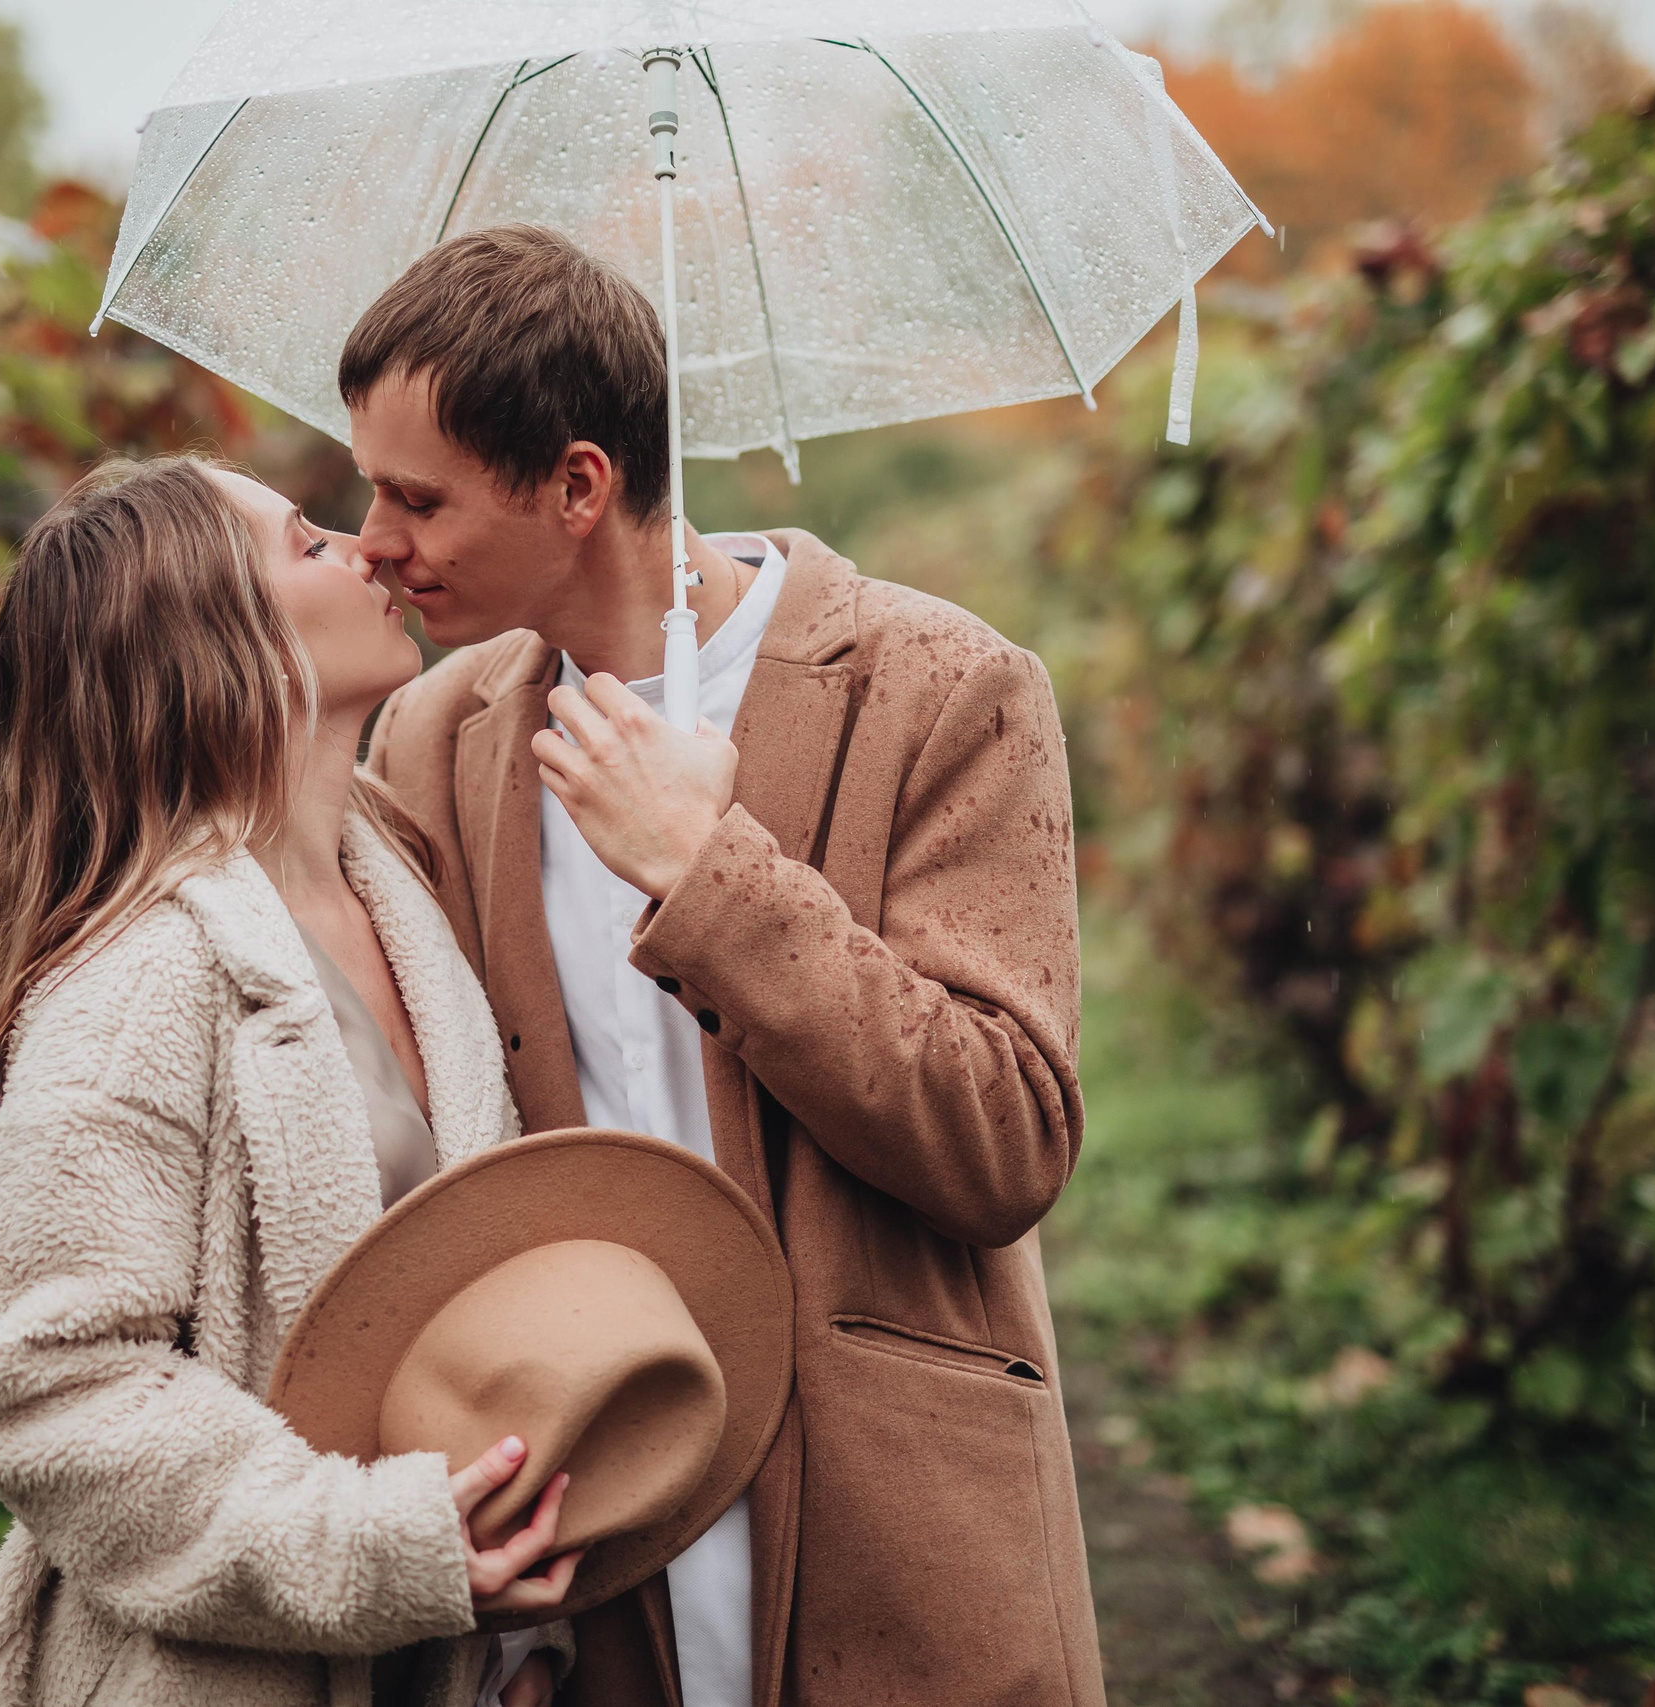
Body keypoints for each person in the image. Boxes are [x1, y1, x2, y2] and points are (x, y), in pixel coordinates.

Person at [350, 226, 1105, 1707]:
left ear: (578, 484)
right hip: (606, 1521)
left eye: (413, 496)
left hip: (894, 1536)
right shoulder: (435, 740)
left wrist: (712, 876)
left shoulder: (948, 688)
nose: (374, 538)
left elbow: (1005, 1135)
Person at [0, 456, 578, 1707]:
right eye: (306, 540)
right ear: (213, 637)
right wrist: (376, 1545)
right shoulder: (147, 974)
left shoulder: (405, 898)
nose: (367, 550)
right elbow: (38, 1385)